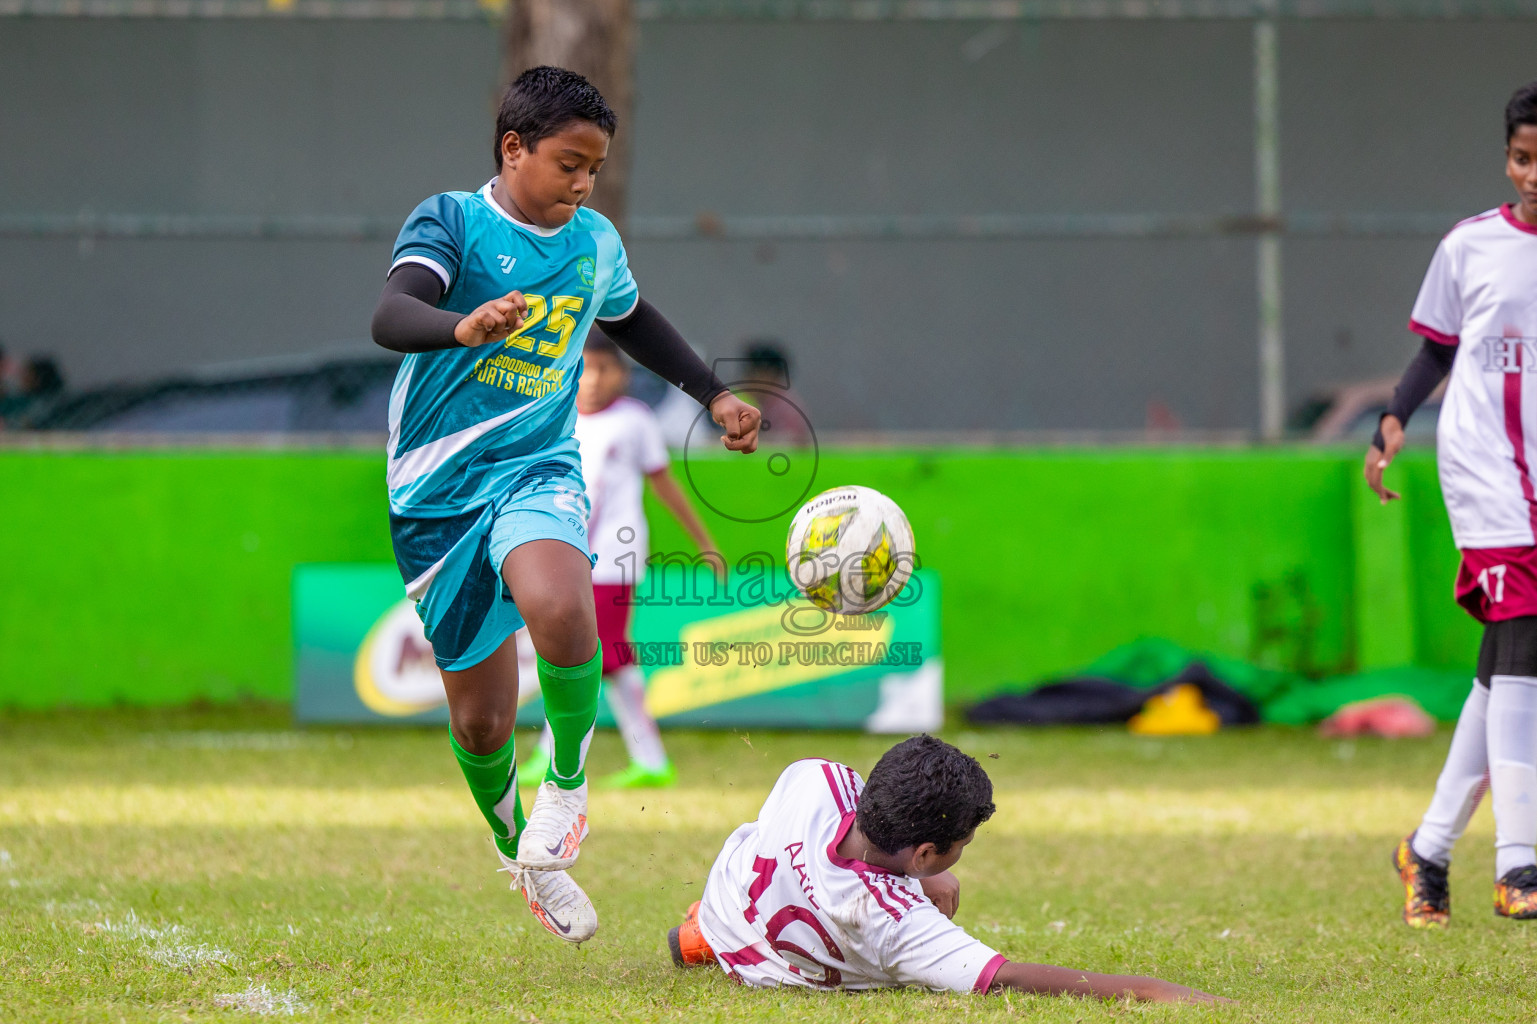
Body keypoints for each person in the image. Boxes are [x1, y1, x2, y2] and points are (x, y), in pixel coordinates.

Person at [369, 66, 761, 944]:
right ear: (513, 149)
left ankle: (570, 787)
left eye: (593, 169)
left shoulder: (593, 241)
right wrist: (460, 326)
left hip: (537, 467)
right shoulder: (453, 221)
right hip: (434, 494)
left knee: (558, 603)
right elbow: (393, 314)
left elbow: (629, 318)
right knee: (479, 716)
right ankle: (521, 852)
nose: (582, 185)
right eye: (567, 164)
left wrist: (711, 394)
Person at [667, 735, 1225, 1002]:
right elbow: (1008, 976)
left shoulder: (816, 778)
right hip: (765, 967)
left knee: (760, 857)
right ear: (926, 852)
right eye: (962, 842)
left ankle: (701, 932)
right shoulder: (899, 926)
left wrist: (921, 873)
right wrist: (1159, 992)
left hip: (726, 904)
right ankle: (707, 938)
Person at [1371, 79, 1537, 926]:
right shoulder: (1470, 246)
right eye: (1520, 158)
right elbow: (1435, 349)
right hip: (1483, 472)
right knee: (1523, 639)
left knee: (1503, 666)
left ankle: (1427, 849)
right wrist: (1391, 419)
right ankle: (1520, 862)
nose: (1532, 175)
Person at [519, 334, 723, 789]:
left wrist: (703, 542)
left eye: (603, 369)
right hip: (566, 552)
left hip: (616, 553)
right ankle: (643, 759)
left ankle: (563, 756)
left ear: (623, 374)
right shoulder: (560, 417)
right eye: (584, 369)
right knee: (588, 653)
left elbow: (664, 483)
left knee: (598, 651)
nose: (592, 380)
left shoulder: (634, 419)